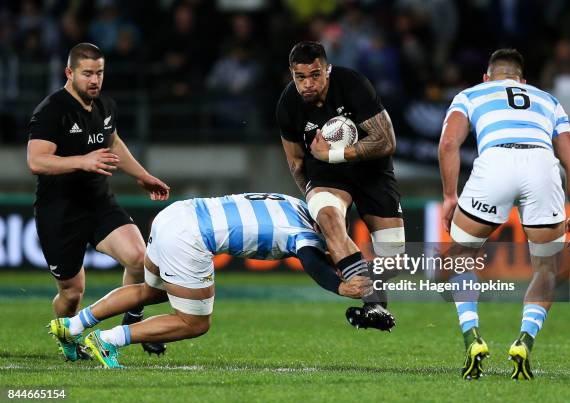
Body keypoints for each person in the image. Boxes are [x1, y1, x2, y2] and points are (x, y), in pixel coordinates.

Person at [48, 193, 374, 368]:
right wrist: (340, 286)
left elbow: (327, 253)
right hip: (191, 237)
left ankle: (74, 326)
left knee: (151, 291)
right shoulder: (306, 235)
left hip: (177, 214)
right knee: (194, 322)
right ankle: (108, 341)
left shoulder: (296, 204)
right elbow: (314, 263)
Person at [438, 49, 570, 380]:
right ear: (522, 81)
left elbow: (448, 144)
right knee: (546, 267)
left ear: (487, 78)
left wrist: (450, 196)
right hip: (541, 165)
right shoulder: (548, 100)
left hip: (496, 163)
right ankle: (524, 341)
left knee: (460, 259)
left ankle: (472, 337)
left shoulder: (470, 94)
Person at [27, 43, 171, 360]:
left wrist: (142, 175)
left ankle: (132, 319)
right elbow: (37, 161)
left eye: (100, 73)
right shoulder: (51, 110)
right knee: (71, 291)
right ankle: (67, 336)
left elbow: (113, 142)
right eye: (88, 73)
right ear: (69, 73)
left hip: (99, 201)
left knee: (139, 258)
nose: (95, 80)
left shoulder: (104, 105)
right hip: (60, 210)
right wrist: (83, 161)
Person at [276, 41, 404, 329]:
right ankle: (374, 305)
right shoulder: (287, 104)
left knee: (394, 260)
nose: (308, 84)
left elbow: (386, 141)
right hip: (326, 176)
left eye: (315, 75)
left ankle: (369, 293)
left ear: (327, 70)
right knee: (331, 221)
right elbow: (296, 163)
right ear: (292, 75)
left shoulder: (353, 84)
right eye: (300, 77)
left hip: (373, 172)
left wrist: (333, 153)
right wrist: (315, 206)